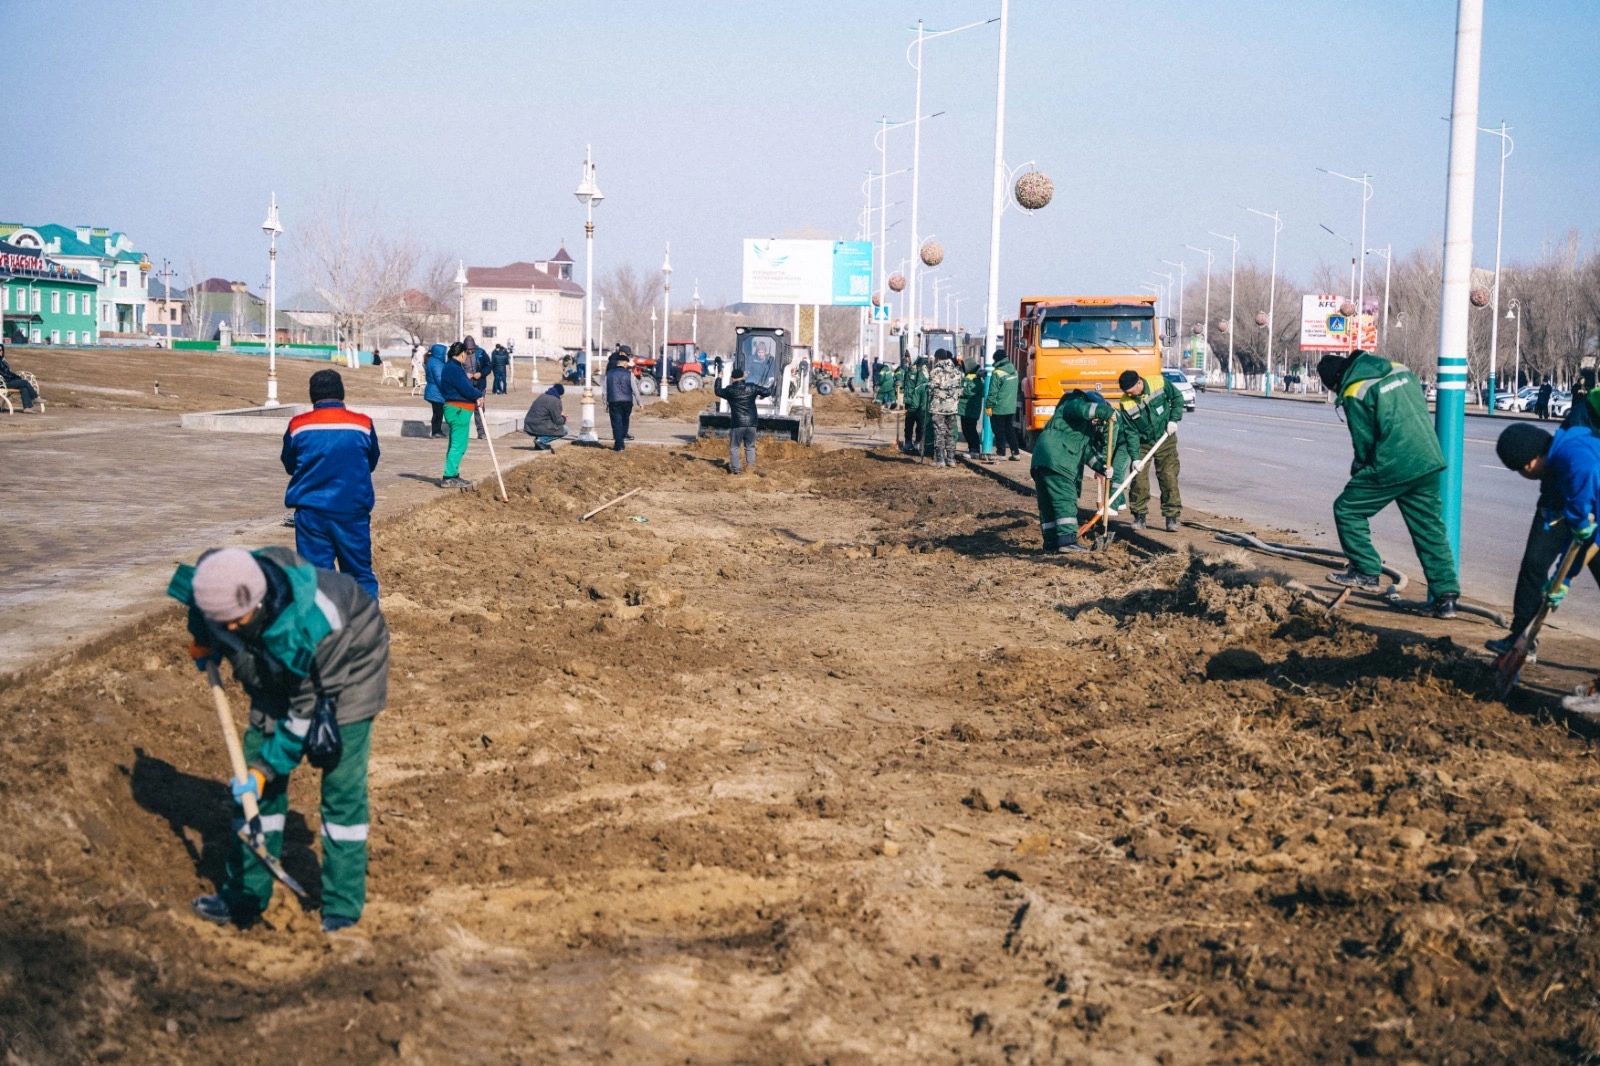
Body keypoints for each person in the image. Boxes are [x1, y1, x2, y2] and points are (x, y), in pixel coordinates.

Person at [168, 545, 388, 933]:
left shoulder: (319, 621)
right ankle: (246, 895)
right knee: (253, 790)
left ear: (260, 601)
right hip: (273, 666)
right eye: (224, 624)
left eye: (238, 621)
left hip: (347, 670)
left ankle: (342, 906)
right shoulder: (216, 582)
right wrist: (203, 638)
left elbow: (305, 712)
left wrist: (266, 769)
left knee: (341, 789)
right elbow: (195, 599)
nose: (231, 629)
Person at [1317, 351, 1460, 617]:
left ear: (1336, 381)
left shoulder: (1354, 391)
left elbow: (1364, 443)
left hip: (1394, 462)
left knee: (1347, 508)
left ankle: (1365, 571)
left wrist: (1359, 471)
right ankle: (1446, 598)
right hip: (1428, 458)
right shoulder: (1399, 368)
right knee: (1429, 529)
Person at [1487, 423, 1600, 666]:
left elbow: (1590, 534)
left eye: (1520, 469)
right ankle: (1521, 639)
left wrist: (1567, 576)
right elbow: (1577, 539)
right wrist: (1565, 578)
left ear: (1531, 462)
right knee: (1534, 563)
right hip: (1585, 513)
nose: (1524, 475)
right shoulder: (1557, 467)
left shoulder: (1575, 455)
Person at [281, 370, 381, 598]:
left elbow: (290, 464)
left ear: (312, 395)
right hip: (352, 511)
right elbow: (371, 462)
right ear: (341, 393)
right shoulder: (363, 425)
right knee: (359, 574)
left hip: (311, 514)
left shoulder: (298, 426)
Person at [1031, 390, 1117, 553]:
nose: (1096, 422)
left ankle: (1052, 543)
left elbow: (1086, 453)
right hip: (1057, 459)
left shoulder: (1077, 428)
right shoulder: (1073, 404)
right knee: (1065, 499)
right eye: (1096, 419)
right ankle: (1067, 541)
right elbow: (1084, 409)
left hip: (1042, 460)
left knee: (1048, 504)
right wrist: (1105, 411)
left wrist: (1102, 467)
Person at [1117, 368, 1186, 531]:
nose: (1130, 395)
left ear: (1139, 383)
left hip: (1165, 438)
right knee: (1138, 479)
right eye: (1126, 392)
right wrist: (1135, 458)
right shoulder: (1125, 402)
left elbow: (1177, 398)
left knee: (1168, 477)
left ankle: (1171, 517)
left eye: (1131, 391)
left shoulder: (1158, 383)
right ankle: (1139, 516)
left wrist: (1174, 420)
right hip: (1142, 444)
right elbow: (1130, 432)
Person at [438, 343, 482, 488]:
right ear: (462, 353)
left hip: (457, 409)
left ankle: (453, 474)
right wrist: (478, 395)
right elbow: (466, 388)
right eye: (466, 354)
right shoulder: (454, 368)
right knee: (459, 445)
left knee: (455, 444)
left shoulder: (450, 367)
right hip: (458, 409)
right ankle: (449, 476)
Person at [714, 367, 773, 474]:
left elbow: (718, 391)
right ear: (743, 377)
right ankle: (751, 468)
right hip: (752, 423)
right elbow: (767, 391)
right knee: (750, 446)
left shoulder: (729, 390)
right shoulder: (752, 387)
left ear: (732, 378)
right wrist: (768, 390)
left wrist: (719, 378)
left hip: (737, 423)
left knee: (735, 447)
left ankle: (737, 471)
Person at [927, 349, 963, 467]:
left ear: (937, 358)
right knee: (950, 433)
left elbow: (931, 389)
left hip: (938, 408)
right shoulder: (957, 372)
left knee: (939, 433)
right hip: (952, 407)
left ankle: (940, 460)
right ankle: (951, 459)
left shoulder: (935, 372)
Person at [987, 349, 1022, 461]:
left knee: (998, 430)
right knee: (1009, 429)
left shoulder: (997, 373)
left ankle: (1001, 453)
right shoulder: (1014, 370)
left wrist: (989, 406)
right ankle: (1015, 452)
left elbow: (993, 392)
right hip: (1010, 407)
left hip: (999, 407)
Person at [605, 347, 641, 451]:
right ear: (624, 363)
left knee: (616, 423)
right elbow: (635, 389)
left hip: (613, 400)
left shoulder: (609, 373)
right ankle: (620, 441)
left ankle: (619, 445)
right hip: (627, 401)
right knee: (624, 421)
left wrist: (605, 404)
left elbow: (605, 391)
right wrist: (639, 402)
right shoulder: (629, 374)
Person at [523, 383, 568, 449]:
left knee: (545, 423)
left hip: (529, 425)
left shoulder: (542, 395)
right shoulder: (555, 400)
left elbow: (544, 413)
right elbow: (558, 421)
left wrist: (559, 414)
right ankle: (540, 441)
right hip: (538, 426)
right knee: (565, 430)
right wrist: (564, 418)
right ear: (560, 394)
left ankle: (539, 444)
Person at [959, 357, 988, 460]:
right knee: (966, 430)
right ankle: (972, 448)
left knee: (971, 430)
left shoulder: (976, 380)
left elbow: (968, 391)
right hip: (965, 409)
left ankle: (974, 450)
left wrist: (959, 391)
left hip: (971, 409)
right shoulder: (969, 378)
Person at [902, 357, 930, 459]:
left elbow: (920, 387)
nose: (907, 359)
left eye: (908, 357)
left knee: (919, 423)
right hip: (910, 401)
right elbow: (906, 385)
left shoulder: (922, 371)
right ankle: (908, 441)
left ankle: (917, 442)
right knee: (909, 423)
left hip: (917, 402)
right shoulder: (909, 370)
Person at [0, 344, 39, 412]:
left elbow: (9, 372)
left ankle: (27, 408)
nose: (1, 352)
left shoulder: (3, 361)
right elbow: (3, 374)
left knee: (23, 388)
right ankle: (34, 397)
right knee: (24, 382)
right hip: (3, 383)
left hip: (8, 381)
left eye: (2, 350)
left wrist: (16, 377)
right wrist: (13, 378)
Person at [423, 343, 449, 437]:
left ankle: (437, 431)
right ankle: (436, 431)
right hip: (436, 392)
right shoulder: (436, 363)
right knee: (438, 412)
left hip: (434, 391)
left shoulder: (433, 361)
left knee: (438, 412)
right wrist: (446, 389)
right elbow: (439, 378)